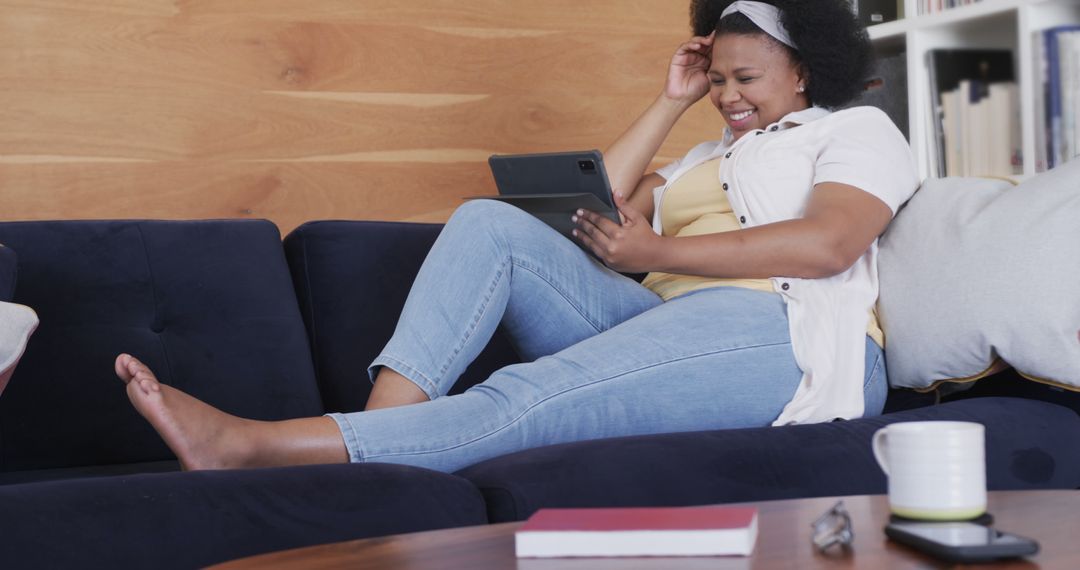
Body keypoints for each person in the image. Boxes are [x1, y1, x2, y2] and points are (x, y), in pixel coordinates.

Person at [115, 0, 918, 473]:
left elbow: (827, 244)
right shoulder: (709, 155)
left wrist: (660, 254)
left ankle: (259, 447)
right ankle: (380, 446)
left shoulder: (852, 132)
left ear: (805, 72)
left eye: (746, 80)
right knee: (490, 223)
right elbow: (594, 218)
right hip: (666, 321)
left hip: (778, 336)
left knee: (528, 399)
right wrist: (671, 101)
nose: (727, 96)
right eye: (717, 79)